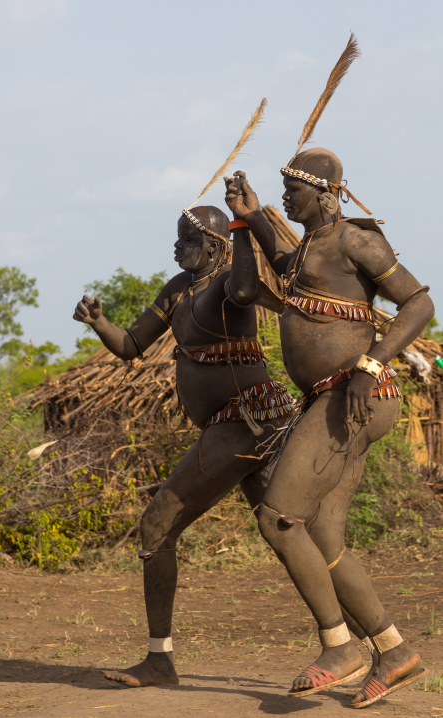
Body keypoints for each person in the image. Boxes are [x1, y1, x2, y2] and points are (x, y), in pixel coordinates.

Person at [224, 148, 433, 708]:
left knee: (278, 517)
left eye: (293, 189)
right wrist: (247, 216)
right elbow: (283, 266)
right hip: (332, 398)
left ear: (324, 192)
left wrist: (371, 364)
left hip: (353, 396)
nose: (285, 198)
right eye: (282, 190)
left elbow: (418, 303)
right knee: (323, 537)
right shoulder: (309, 249)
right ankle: (393, 651)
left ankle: (339, 647)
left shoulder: (353, 239)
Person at [73, 205, 295, 687]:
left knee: (156, 525)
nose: (177, 248)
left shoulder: (228, 285)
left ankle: (159, 661)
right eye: (176, 240)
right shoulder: (177, 290)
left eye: (187, 241)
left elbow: (244, 288)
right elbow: (132, 344)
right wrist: (98, 321)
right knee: (285, 531)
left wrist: (239, 224)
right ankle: (374, 644)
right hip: (232, 425)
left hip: (245, 420)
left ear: (214, 246)